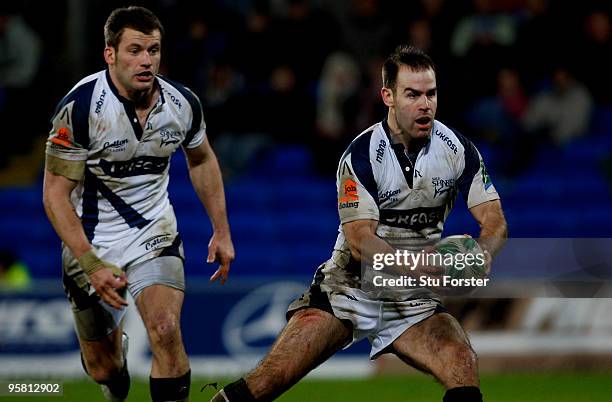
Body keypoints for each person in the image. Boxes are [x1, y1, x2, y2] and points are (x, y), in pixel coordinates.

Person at [211, 45, 507, 402]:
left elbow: (494, 219)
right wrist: (425, 267)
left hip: (412, 298)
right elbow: (361, 243)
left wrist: (483, 251)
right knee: (267, 382)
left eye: (431, 94)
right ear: (388, 96)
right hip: (349, 287)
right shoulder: (362, 155)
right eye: (412, 94)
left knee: (461, 363)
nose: (425, 104)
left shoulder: (457, 149)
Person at [42, 6, 234, 402]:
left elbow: (202, 159)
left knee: (165, 329)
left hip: (154, 233)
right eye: (134, 50)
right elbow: (55, 195)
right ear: (110, 54)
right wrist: (90, 262)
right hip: (90, 243)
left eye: (153, 50)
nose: (146, 60)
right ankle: (114, 371)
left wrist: (221, 230)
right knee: (105, 368)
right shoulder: (80, 109)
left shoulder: (182, 104)